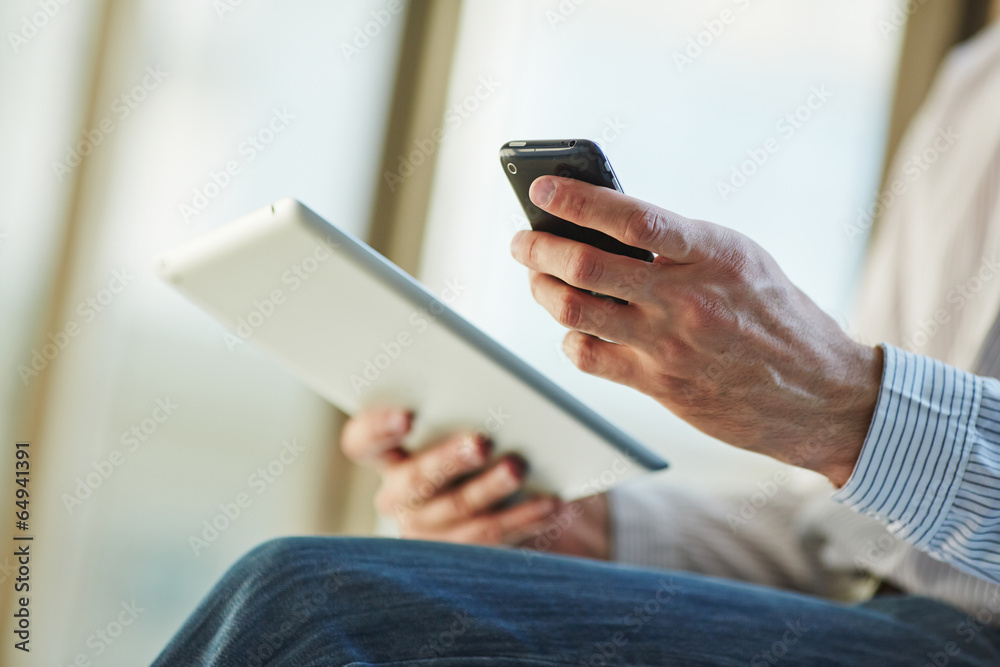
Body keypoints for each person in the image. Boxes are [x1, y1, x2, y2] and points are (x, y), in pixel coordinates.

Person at [153, 21, 1000, 667]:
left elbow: (870, 447)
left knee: (314, 603)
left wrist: (845, 406)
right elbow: (855, 545)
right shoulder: (977, 86)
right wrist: (586, 527)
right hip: (888, 620)